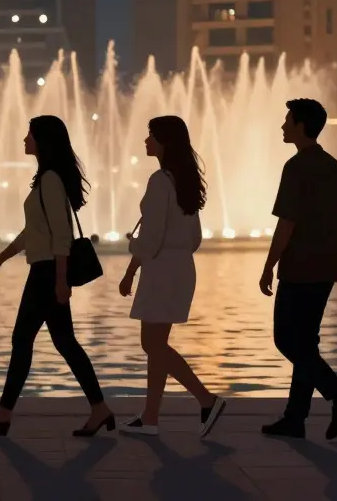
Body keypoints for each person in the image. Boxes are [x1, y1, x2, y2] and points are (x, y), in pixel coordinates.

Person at [0, 115, 115, 437]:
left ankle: (3, 412)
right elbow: (32, 234)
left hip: (48, 273)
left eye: (30, 134)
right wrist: (0, 259)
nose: (24, 139)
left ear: (42, 141)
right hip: (46, 270)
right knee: (63, 342)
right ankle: (99, 408)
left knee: (24, 340)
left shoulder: (50, 179)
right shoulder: (46, 179)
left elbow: (61, 235)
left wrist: (62, 281)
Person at [259, 99, 337, 440]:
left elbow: (286, 223)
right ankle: (295, 418)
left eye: (288, 120)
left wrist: (268, 265)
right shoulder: (333, 166)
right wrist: (330, 251)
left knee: (287, 339)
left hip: (299, 268)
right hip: (325, 267)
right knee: (305, 343)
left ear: (301, 125)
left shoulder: (297, 166)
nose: (283, 126)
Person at [118, 116, 226, 438]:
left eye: (150, 135)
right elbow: (194, 238)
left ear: (164, 142)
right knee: (157, 344)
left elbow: (150, 238)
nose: (146, 141)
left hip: (161, 271)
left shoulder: (160, 181)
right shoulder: (185, 181)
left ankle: (207, 400)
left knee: (151, 343)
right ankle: (150, 417)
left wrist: (131, 260)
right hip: (180, 269)